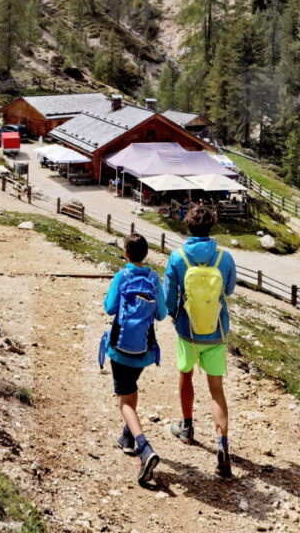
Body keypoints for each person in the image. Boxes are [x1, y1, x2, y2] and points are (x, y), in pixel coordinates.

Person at [163, 203, 237, 478]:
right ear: (211, 226)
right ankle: (222, 446)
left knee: (186, 374)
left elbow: (170, 295)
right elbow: (228, 289)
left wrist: (173, 315)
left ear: (188, 225)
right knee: (216, 389)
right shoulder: (224, 258)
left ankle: (187, 427)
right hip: (216, 330)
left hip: (188, 329)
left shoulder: (177, 257)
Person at [102, 233, 167, 485]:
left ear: (126, 254)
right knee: (132, 388)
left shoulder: (122, 276)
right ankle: (127, 437)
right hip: (143, 350)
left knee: (123, 401)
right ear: (146, 254)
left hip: (119, 347)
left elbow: (109, 308)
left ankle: (144, 447)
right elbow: (161, 314)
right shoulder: (153, 278)